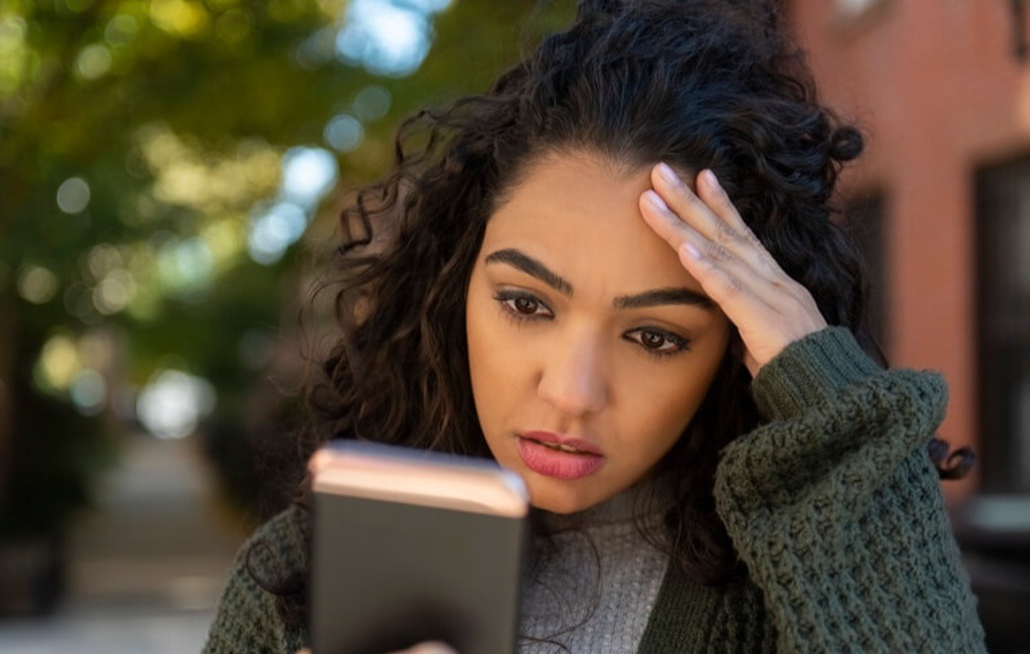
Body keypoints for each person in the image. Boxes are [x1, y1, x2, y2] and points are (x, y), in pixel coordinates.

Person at [203, 0, 986, 651]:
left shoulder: (797, 595)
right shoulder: (296, 578)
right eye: (526, 304)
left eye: (655, 337)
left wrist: (827, 403)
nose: (573, 394)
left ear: (738, 353)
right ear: (453, 287)